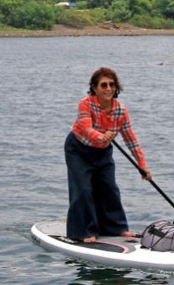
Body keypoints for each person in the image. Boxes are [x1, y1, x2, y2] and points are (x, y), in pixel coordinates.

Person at [64, 67, 152, 243]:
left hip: (102, 152)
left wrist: (142, 166)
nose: (108, 88)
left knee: (109, 188)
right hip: (78, 150)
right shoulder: (85, 104)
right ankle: (83, 232)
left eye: (112, 84)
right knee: (83, 190)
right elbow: (86, 128)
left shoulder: (121, 111)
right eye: (103, 85)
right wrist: (102, 136)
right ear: (95, 88)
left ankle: (115, 227)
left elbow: (131, 140)